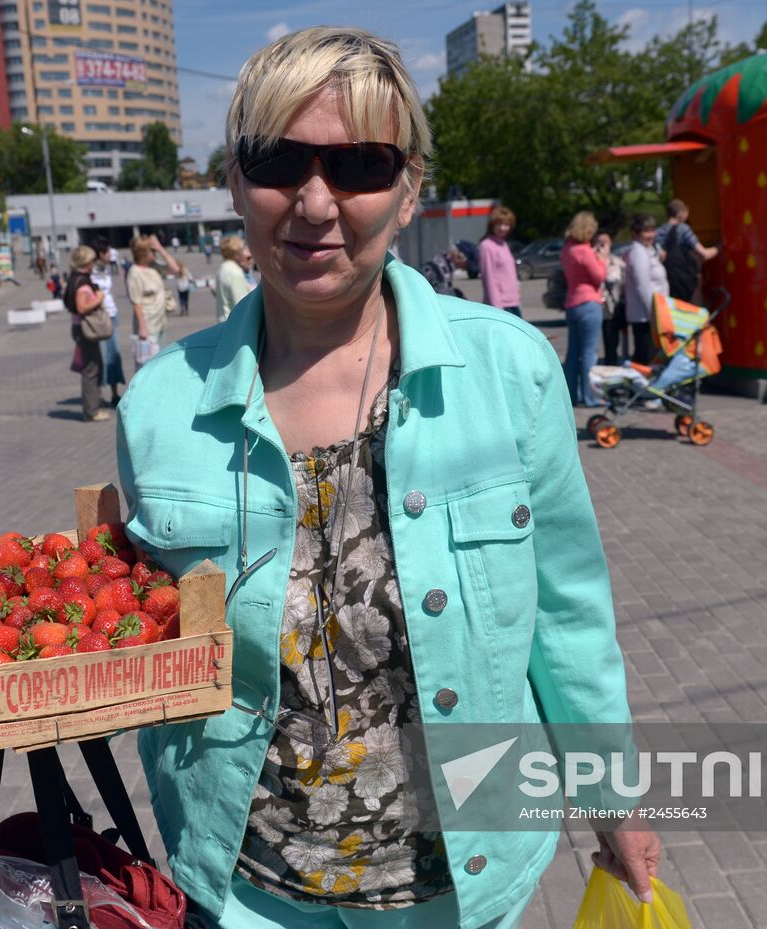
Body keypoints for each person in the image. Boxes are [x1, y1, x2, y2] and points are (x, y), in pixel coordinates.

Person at [118, 26, 655, 928]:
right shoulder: (161, 404)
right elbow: (120, 619)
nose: (316, 203)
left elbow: (566, 612)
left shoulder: (508, 374)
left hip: (459, 880)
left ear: (409, 192)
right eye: (279, 160)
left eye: (360, 165)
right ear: (236, 182)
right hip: (244, 889)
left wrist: (612, 792)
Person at [560, 212, 606, 407]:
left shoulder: (567, 249)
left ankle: (572, 394)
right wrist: (603, 258)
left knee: (572, 354)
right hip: (588, 303)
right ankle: (590, 396)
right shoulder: (584, 250)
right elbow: (599, 276)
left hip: (572, 303)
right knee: (589, 353)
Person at [63, 246, 111, 422]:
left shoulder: (74, 278)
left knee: (93, 366)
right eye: (91, 261)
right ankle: (92, 411)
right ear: (86, 262)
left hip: (80, 327)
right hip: (85, 329)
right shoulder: (82, 283)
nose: (93, 264)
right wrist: (98, 298)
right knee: (91, 369)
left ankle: (93, 406)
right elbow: (82, 307)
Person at [620, 213, 667, 367]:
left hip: (649, 314)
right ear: (635, 233)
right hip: (645, 315)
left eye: (652, 230)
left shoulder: (646, 250)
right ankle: (642, 389)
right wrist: (653, 313)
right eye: (646, 231)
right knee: (645, 358)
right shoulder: (638, 252)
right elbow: (643, 286)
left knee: (647, 355)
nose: (651, 235)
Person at [127, 234, 181, 363]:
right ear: (143, 253)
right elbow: (136, 302)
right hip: (148, 324)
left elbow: (175, 269)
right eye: (152, 251)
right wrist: (142, 328)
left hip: (160, 320)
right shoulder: (135, 272)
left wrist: (161, 249)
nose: (155, 253)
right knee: (148, 363)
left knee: (160, 360)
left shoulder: (153, 266)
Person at [657, 199, 717, 302]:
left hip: (667, 281)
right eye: (686, 213)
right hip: (686, 281)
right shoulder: (683, 229)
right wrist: (720, 247)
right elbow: (704, 254)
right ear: (680, 213)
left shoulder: (658, 232)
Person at [91, 235, 126, 404]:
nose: (110, 255)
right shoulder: (91, 271)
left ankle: (114, 392)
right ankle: (98, 394)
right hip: (100, 317)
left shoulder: (105, 269)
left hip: (112, 314)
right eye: (107, 252)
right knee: (102, 356)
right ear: (101, 253)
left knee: (115, 354)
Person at [477, 204, 521, 317]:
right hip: (500, 305)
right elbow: (488, 279)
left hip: (513, 303)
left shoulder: (504, 244)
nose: (502, 228)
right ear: (492, 225)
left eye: (506, 224)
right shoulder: (486, 246)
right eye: (499, 224)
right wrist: (497, 309)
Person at [596, 231, 625, 366]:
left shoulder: (617, 261)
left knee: (616, 341)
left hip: (615, 308)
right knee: (604, 344)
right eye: (599, 242)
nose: (602, 246)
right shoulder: (593, 262)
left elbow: (622, 280)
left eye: (605, 242)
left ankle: (616, 365)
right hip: (601, 309)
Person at [213, 234, 254, 322]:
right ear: (237, 254)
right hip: (234, 324)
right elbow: (242, 305)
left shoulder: (222, 269)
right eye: (243, 249)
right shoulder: (235, 272)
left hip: (223, 321)